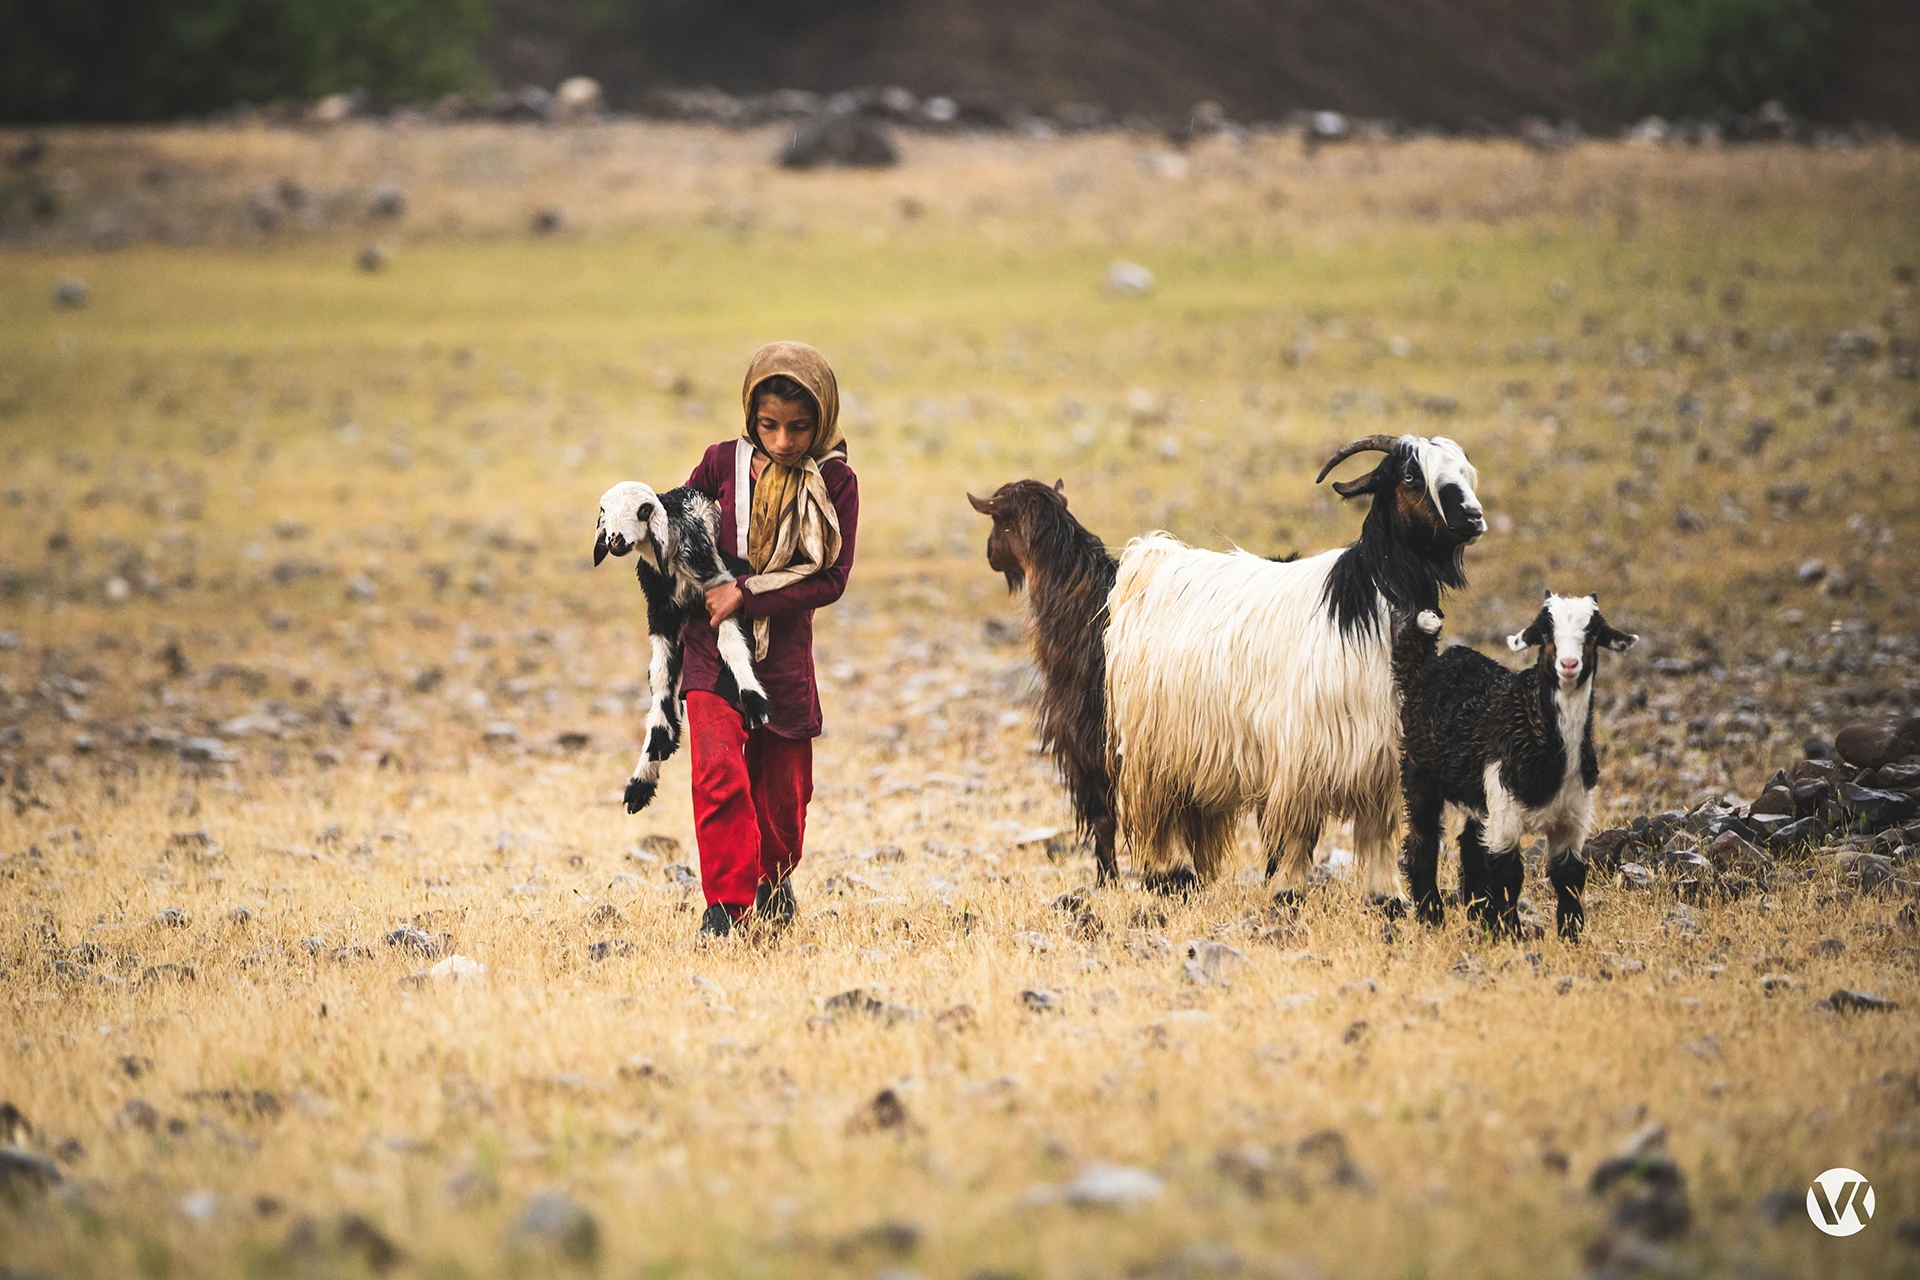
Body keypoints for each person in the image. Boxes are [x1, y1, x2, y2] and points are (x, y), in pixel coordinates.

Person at [678, 342, 858, 938]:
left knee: (784, 791)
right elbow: (679, 520)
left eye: (799, 428)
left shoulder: (835, 481)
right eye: (769, 426)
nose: (782, 442)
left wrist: (747, 593)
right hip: (712, 648)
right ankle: (725, 908)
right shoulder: (719, 463)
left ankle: (772, 879)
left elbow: (830, 577)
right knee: (717, 770)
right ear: (751, 418)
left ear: (823, 420)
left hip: (780, 657)